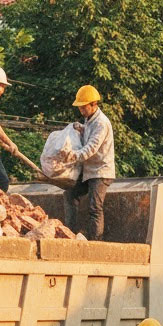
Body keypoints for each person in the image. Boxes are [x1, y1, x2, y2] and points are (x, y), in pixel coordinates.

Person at [62, 85, 115, 240]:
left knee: (95, 207)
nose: (81, 111)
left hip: (101, 172)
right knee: (70, 194)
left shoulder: (102, 123)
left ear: (94, 104)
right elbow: (89, 133)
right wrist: (82, 129)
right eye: (79, 108)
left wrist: (72, 156)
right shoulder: (89, 120)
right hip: (89, 170)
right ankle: (69, 233)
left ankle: (96, 241)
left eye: (83, 107)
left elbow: (91, 147)